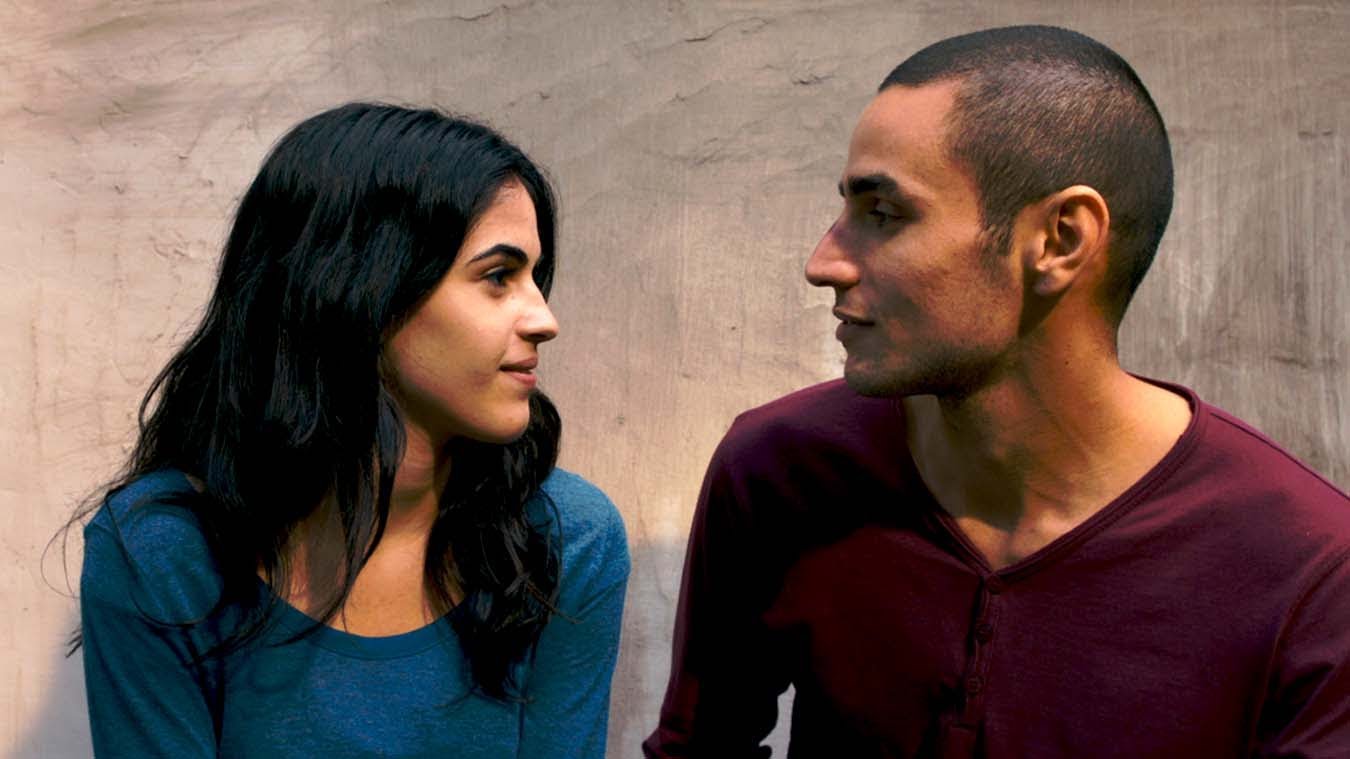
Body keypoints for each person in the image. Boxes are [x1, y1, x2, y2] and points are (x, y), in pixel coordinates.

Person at [645, 25, 1350, 758]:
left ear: (1061, 239)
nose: (824, 262)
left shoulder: (1312, 576)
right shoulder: (782, 472)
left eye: (882, 214)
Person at [74, 103, 629, 758]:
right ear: (362, 287)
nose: (544, 319)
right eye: (498, 276)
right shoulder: (163, 552)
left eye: (535, 277)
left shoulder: (566, 539)